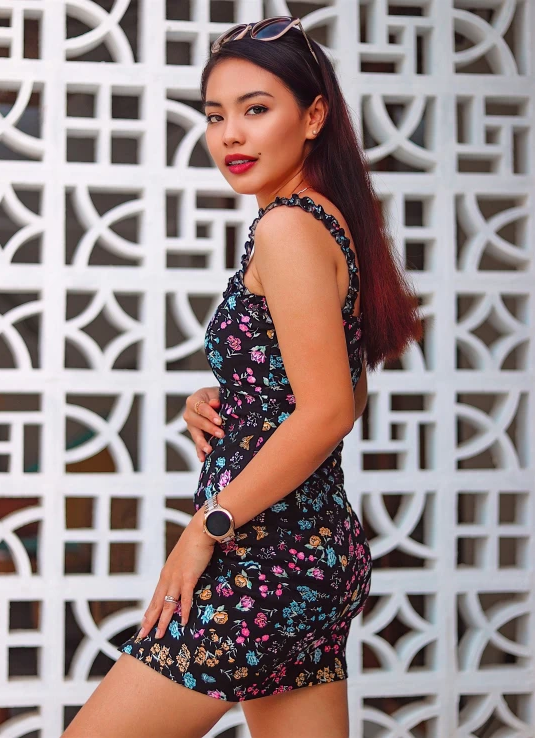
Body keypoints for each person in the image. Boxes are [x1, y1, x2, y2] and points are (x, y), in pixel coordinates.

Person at [62, 16, 422, 738]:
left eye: (257, 110)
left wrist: (207, 528)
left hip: (266, 557)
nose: (231, 135)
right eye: (216, 116)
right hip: (317, 553)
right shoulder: (327, 222)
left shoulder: (289, 228)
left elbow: (326, 413)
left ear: (313, 114)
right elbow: (343, 391)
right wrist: (232, 397)